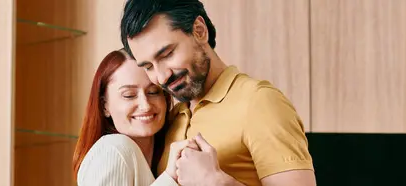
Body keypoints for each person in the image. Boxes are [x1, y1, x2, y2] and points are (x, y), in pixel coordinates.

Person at [120, 0, 317, 185]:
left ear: (199, 31)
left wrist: (214, 181)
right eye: (148, 67)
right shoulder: (172, 116)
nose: (161, 77)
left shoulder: (259, 101)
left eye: (167, 54)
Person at [72, 49, 197, 186]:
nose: (145, 106)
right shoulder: (113, 150)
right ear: (104, 106)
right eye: (129, 95)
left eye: (153, 92)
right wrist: (170, 178)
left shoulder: (159, 158)